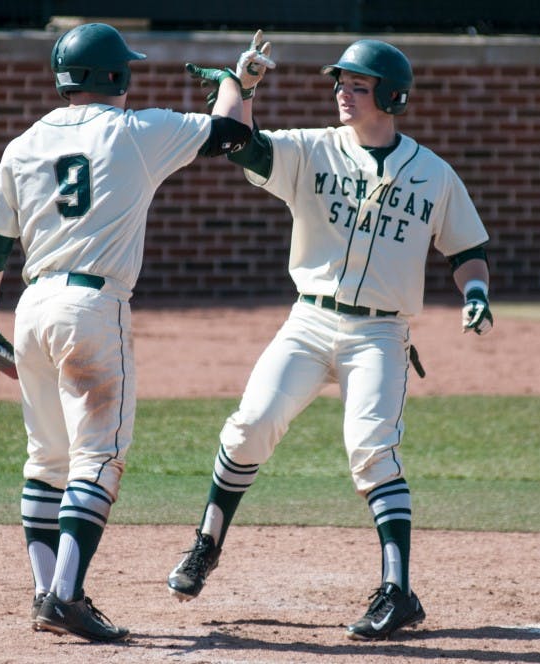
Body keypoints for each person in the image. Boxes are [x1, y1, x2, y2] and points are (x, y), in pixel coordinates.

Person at [168, 36, 493, 640]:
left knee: (371, 452)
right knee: (249, 426)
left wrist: (475, 293)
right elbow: (240, 144)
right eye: (339, 82)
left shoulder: (433, 174)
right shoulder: (312, 149)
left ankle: (398, 592)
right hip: (310, 321)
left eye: (357, 84)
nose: (343, 91)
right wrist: (241, 87)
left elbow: (467, 250)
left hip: (380, 332)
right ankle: (206, 545)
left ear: (391, 96)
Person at [0, 22, 258, 642]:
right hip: (92, 311)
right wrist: (235, 81)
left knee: (46, 460)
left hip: (32, 307)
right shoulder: (136, 132)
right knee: (98, 457)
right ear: (115, 77)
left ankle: (47, 590)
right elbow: (233, 133)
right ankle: (65, 597)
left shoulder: (24, 142)